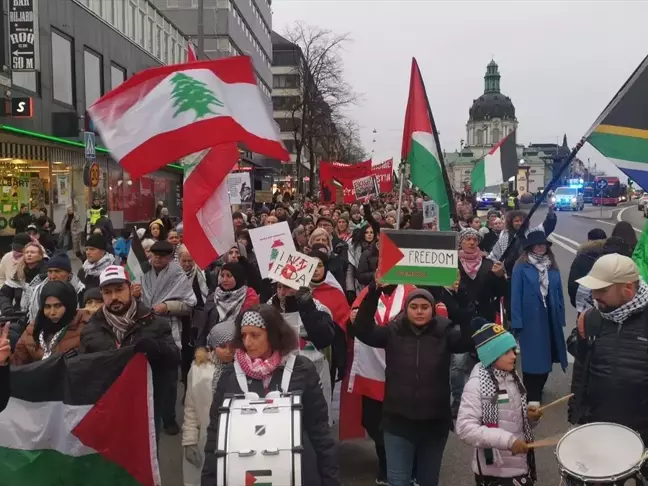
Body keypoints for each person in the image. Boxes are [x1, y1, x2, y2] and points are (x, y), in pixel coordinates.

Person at [202, 305, 340, 486]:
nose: (247, 343)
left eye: (255, 335)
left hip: (298, 474)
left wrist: (331, 481)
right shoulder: (230, 375)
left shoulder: (301, 369)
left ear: (273, 335)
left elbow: (319, 432)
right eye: (243, 336)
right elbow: (216, 435)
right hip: (241, 476)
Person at [354, 286, 473, 486]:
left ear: (433, 310)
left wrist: (461, 294)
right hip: (398, 424)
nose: (419, 311)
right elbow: (362, 330)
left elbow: (470, 339)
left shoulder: (446, 333)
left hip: (434, 425)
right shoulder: (392, 332)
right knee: (398, 481)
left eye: (425, 307)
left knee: (428, 481)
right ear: (406, 309)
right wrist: (374, 292)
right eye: (414, 307)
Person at [80, 265, 180, 438]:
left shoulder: (154, 323)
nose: (114, 297)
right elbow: (84, 370)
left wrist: (156, 348)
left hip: (146, 405)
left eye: (119, 290)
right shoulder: (91, 329)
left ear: (130, 288)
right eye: (107, 292)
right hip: (108, 405)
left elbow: (174, 359)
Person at [569, 255, 648, 444]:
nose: (595, 296)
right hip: (598, 426)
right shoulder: (590, 319)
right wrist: (575, 414)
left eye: (602, 290)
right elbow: (580, 371)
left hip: (643, 433)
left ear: (627, 288)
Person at [457, 321, 542, 485]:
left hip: (521, 464)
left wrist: (531, 417)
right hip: (494, 470)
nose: (513, 355)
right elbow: (465, 428)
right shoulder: (477, 384)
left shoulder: (513, 379)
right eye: (506, 352)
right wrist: (508, 441)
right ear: (491, 356)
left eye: (513, 350)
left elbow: (513, 420)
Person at [136, 240, 196, 435]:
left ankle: (168, 417)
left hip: (168, 331)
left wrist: (168, 307)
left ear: (170, 258)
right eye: (154, 256)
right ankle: (146, 416)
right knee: (144, 377)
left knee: (169, 379)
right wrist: (134, 295)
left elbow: (189, 305)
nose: (157, 260)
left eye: (162, 257)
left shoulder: (178, 275)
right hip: (143, 329)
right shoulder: (143, 272)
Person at [511, 231, 568, 406]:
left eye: (544, 244)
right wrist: (517, 322)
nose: (542, 246)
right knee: (533, 359)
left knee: (548, 356)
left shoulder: (552, 266)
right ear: (530, 247)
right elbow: (516, 295)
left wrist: (561, 316)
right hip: (531, 319)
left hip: (550, 317)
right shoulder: (521, 267)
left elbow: (558, 293)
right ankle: (532, 394)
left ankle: (538, 388)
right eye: (538, 244)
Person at [12, 280, 86, 365]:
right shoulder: (34, 328)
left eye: (58, 306)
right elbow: (17, 364)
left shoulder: (84, 328)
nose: (52, 312)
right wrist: (4, 359)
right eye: (47, 307)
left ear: (69, 305)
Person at [194, 261, 259, 348]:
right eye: (222, 275)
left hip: (239, 346)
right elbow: (204, 327)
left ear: (238, 277)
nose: (224, 279)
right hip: (214, 346)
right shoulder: (214, 296)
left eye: (229, 276)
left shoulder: (249, 297)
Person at [26, 252, 85, 322]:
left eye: (57, 271)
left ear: (69, 273)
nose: (53, 276)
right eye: (50, 271)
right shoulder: (38, 290)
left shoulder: (80, 291)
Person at [567, 228, 607, 312]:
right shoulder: (610, 257)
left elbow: (573, 285)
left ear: (589, 240)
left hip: (584, 309)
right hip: (605, 309)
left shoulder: (581, 258)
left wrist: (578, 304)